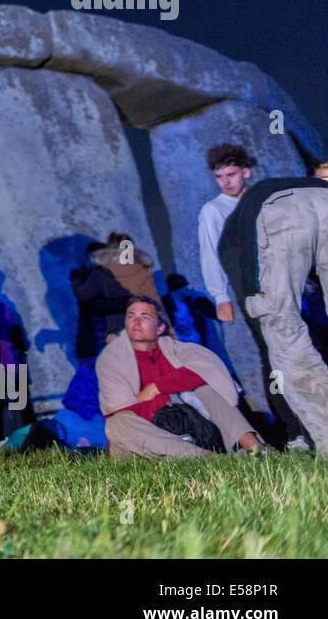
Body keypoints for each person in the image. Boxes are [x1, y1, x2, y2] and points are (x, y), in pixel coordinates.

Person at [199, 143, 306, 447]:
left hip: (291, 286)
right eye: (219, 176)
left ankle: (312, 420)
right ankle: (293, 429)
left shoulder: (265, 199)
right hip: (253, 292)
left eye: (231, 174)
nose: (226, 181)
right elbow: (210, 253)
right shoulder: (213, 211)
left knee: (303, 347)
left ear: (245, 171)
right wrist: (220, 296)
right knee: (271, 355)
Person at [218, 174, 328, 451]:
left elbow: (271, 316)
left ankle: (317, 437)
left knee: (283, 334)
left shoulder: (235, 236)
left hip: (279, 210)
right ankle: (299, 431)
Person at [96, 298, 263, 458]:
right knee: (116, 423)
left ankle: (254, 449)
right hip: (146, 442)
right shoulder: (111, 359)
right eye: (131, 316)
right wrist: (162, 401)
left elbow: (207, 369)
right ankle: (209, 460)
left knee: (207, 387)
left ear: (160, 328)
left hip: (190, 426)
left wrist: (156, 388)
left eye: (144, 317)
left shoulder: (175, 349)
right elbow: (118, 408)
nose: (136, 322)